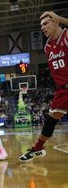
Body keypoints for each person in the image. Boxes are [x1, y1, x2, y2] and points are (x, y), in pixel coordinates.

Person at [19, 11, 68, 162]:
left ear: (56, 22)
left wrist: (61, 18)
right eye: (41, 25)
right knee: (51, 118)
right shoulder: (48, 47)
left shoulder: (65, 36)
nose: (42, 28)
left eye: (46, 23)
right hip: (63, 89)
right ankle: (38, 147)